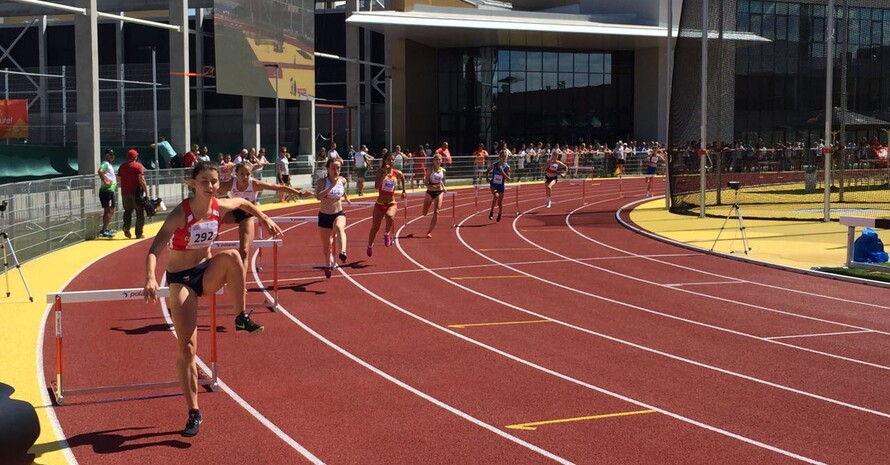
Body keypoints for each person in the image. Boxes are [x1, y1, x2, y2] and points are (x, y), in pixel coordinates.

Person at [143, 161, 283, 438]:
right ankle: (194, 411)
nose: (210, 186)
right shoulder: (180, 214)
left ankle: (241, 317)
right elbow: (154, 249)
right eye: (204, 181)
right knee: (187, 348)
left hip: (206, 273)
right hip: (181, 280)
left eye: (214, 182)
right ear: (193, 183)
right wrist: (149, 276)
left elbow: (243, 201)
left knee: (232, 255)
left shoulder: (219, 206)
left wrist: (264, 218)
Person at [218, 161, 311, 304]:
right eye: (242, 174)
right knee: (215, 215)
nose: (245, 177)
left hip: (247, 216)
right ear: (236, 174)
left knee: (244, 250)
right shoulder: (232, 183)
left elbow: (276, 186)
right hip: (233, 212)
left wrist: (298, 193)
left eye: (248, 174)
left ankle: (241, 284)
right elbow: (215, 188)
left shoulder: (253, 184)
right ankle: (210, 242)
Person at [316, 158, 351, 279]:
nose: (336, 171)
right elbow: (318, 197)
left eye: (338, 168)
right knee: (327, 247)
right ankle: (328, 265)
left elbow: (342, 190)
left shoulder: (343, 180)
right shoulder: (322, 182)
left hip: (338, 213)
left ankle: (343, 252)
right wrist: (330, 187)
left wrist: (346, 197)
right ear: (328, 169)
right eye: (333, 168)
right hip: (324, 216)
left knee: (339, 227)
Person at [366, 151, 406, 257]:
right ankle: (370, 245)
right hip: (380, 203)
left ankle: (387, 234)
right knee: (375, 228)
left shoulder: (396, 173)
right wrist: (384, 174)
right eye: (389, 159)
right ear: (384, 160)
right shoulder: (380, 172)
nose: (391, 161)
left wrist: (404, 191)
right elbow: (376, 186)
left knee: (389, 216)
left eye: (393, 160)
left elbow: (402, 177)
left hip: (391, 202)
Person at [118, 149, 149, 239]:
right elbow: (141, 180)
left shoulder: (122, 166)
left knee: (127, 211)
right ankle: (138, 233)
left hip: (125, 192)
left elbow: (119, 178)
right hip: (136, 193)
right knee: (139, 212)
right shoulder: (138, 167)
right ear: (135, 157)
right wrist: (146, 192)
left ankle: (126, 227)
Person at [422, 154, 447, 238]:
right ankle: (425, 211)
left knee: (436, 212)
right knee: (424, 213)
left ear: (441, 161)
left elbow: (441, 181)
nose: (438, 161)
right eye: (436, 159)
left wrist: (443, 187)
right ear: (433, 161)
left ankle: (429, 232)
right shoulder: (430, 170)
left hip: (439, 192)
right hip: (430, 192)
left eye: (439, 159)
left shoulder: (443, 170)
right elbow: (425, 182)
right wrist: (431, 187)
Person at [97, 149, 117, 238]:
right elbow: (100, 171)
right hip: (107, 191)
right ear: (106, 155)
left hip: (110, 191)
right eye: (111, 154)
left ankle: (106, 228)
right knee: (108, 210)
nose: (112, 156)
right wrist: (105, 180)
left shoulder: (109, 165)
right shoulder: (105, 164)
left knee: (111, 209)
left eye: (114, 154)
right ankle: (104, 230)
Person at [487, 150, 511, 222]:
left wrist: (502, 171)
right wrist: (487, 177)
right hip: (493, 184)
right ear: (499, 157)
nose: (504, 158)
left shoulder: (507, 167)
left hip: (501, 186)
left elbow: (508, 179)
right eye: (502, 156)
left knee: (500, 202)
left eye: (505, 156)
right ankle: (491, 211)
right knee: (496, 196)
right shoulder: (494, 164)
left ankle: (500, 213)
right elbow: (487, 171)